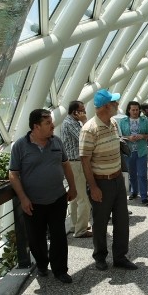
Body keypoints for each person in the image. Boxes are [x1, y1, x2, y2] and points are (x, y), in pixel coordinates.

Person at [9, 109, 76, 283]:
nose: (53, 126)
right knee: (36, 238)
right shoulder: (20, 146)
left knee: (59, 235)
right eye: (48, 123)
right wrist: (23, 198)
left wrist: (73, 187)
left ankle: (60, 269)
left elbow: (66, 165)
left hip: (57, 198)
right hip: (33, 202)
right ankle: (41, 264)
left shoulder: (57, 142)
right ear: (36, 127)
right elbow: (13, 174)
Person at [79, 89, 138, 271]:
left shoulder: (112, 123)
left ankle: (120, 256)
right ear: (106, 106)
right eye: (114, 103)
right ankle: (100, 256)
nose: (117, 105)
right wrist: (94, 187)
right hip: (101, 182)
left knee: (122, 221)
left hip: (117, 179)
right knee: (100, 221)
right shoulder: (89, 129)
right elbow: (85, 161)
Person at [61, 100, 93, 238]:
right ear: (75, 112)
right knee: (83, 199)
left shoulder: (68, 122)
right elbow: (86, 137)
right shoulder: (71, 124)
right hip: (76, 164)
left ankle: (75, 225)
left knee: (75, 197)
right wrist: (85, 121)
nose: (84, 112)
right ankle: (81, 229)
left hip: (72, 163)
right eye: (82, 110)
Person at [118, 101, 148, 206]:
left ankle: (144, 196)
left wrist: (142, 136)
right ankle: (134, 192)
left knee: (142, 174)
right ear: (129, 110)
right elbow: (119, 136)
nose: (135, 112)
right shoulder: (123, 121)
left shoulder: (144, 120)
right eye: (133, 110)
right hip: (128, 152)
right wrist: (129, 138)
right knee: (132, 174)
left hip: (141, 151)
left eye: (137, 110)